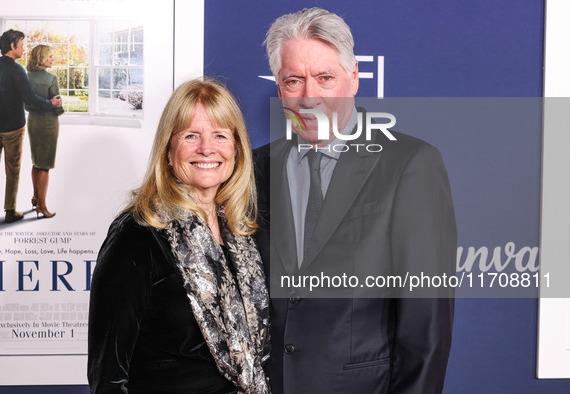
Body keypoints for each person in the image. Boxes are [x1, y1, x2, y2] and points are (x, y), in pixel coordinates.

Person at [253, 7, 457, 393]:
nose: (309, 96)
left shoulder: (409, 164)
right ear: (279, 87)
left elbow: (425, 324)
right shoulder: (256, 167)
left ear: (354, 79)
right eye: (294, 80)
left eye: (325, 78)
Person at [88, 79, 271, 394]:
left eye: (220, 135)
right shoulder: (138, 234)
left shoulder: (244, 233)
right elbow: (109, 379)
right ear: (168, 150)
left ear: (237, 149)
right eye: (191, 136)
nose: (207, 148)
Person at [0, 29, 63, 223]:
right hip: (13, 129)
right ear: (12, 46)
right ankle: (10, 211)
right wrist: (51, 104)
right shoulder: (17, 70)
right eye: (22, 45)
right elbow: (29, 98)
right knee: (13, 169)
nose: (24, 49)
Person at [26, 44, 64, 219]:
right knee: (45, 166)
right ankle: (42, 205)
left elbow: (27, 104)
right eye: (49, 56)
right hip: (48, 124)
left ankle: (35, 197)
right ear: (41, 58)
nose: (52, 59)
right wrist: (59, 108)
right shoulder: (51, 79)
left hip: (33, 122)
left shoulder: (26, 78)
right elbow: (56, 104)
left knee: (36, 162)